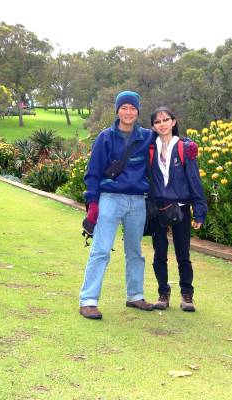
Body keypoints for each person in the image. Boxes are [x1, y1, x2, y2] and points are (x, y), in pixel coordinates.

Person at [78, 90, 155, 320]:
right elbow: (92, 172)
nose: (128, 112)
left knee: (135, 251)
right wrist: (93, 203)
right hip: (110, 198)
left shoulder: (146, 137)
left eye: (132, 108)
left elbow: (168, 138)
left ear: (138, 111)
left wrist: (188, 145)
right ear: (117, 110)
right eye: (124, 108)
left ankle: (135, 295)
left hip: (137, 200)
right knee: (101, 250)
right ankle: (88, 300)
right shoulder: (105, 137)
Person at [147, 106, 207, 312]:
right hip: (157, 209)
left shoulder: (184, 147)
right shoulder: (149, 148)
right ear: (153, 126)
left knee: (183, 254)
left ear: (174, 122)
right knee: (159, 254)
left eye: (166, 120)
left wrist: (200, 211)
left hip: (180, 207)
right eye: (157, 121)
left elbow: (194, 180)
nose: (162, 124)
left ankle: (187, 295)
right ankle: (163, 293)